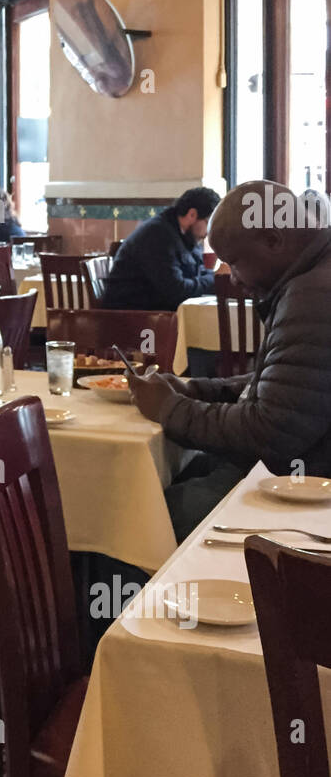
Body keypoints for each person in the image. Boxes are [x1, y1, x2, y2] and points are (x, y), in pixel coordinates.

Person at [127, 181, 331, 541]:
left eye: (234, 262)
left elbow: (267, 432)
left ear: (273, 241)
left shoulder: (313, 295)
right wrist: (194, 388)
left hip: (308, 493)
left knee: (138, 517)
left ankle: (127, 597)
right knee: (169, 476)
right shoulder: (312, 275)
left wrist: (169, 408)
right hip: (298, 464)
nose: (232, 277)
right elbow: (280, 386)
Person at [100, 187, 220, 310]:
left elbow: (197, 274)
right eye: (208, 223)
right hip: (129, 317)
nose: (208, 232)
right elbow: (176, 291)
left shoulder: (186, 235)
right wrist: (215, 280)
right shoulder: (157, 235)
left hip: (154, 313)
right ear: (192, 214)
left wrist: (214, 279)